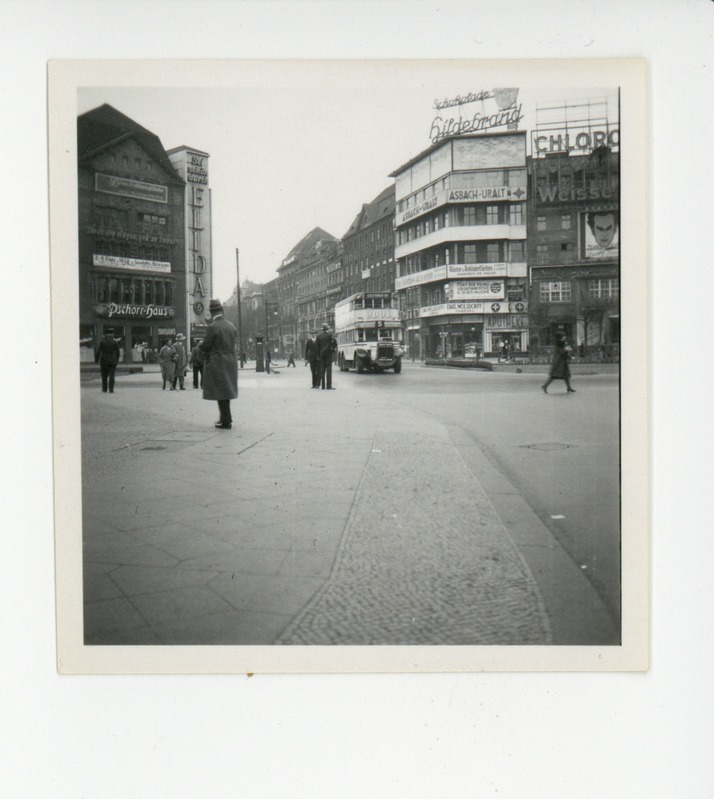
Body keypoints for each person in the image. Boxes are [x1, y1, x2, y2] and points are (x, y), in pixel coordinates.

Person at [199, 298, 238, 429]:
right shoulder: (231, 326)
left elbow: (205, 346)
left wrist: (200, 346)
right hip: (230, 361)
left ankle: (226, 420)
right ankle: (226, 418)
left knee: (220, 390)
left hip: (217, 361)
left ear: (211, 312)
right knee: (226, 390)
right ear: (221, 310)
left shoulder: (213, 327)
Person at [95, 327, 120, 393]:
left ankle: (104, 389)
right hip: (112, 362)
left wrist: (96, 360)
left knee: (104, 376)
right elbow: (118, 352)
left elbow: (98, 352)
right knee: (112, 376)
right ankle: (111, 390)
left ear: (106, 334)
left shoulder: (102, 342)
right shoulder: (115, 342)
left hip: (104, 361)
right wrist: (116, 360)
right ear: (112, 334)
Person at [315, 322, 337, 390]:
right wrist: (333, 349)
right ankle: (329, 385)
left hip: (321, 354)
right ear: (327, 328)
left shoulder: (318, 336)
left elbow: (317, 347)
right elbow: (335, 341)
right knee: (328, 369)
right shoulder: (330, 335)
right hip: (328, 354)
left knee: (322, 369)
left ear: (322, 329)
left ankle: (323, 385)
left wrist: (318, 355)